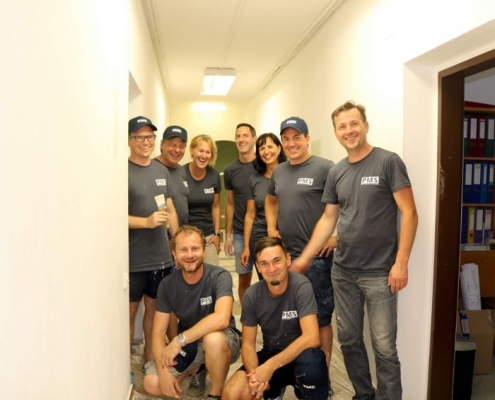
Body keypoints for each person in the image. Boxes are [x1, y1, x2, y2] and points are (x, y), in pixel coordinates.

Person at [293, 101, 419, 399]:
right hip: (343, 272)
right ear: (336, 132)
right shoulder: (337, 171)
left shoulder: (388, 162)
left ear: (365, 125)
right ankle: (363, 395)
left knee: (384, 348)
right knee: (349, 341)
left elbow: (409, 213)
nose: (349, 131)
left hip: (380, 274)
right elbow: (329, 218)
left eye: (354, 124)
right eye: (342, 126)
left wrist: (401, 262)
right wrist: (304, 258)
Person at [265, 116, 336, 395]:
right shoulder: (279, 171)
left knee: (320, 319)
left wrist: (336, 236)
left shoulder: (325, 168)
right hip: (285, 257)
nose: (291, 143)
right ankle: (289, 373)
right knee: (289, 319)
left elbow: (345, 206)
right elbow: (271, 199)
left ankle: (322, 378)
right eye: (286, 139)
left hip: (317, 259)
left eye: (297, 137)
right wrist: (271, 227)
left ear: (307, 139)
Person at [223, 237, 329, 400]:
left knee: (312, 367)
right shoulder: (252, 294)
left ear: (288, 260)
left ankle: (305, 389)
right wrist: (255, 376)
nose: (271, 268)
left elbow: (312, 338)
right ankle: (273, 391)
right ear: (258, 266)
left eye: (277, 260)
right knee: (232, 394)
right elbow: (248, 344)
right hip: (271, 353)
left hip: (302, 357)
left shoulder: (301, 285)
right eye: (264, 263)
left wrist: (270, 367)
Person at [143, 225, 241, 400]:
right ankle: (196, 369)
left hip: (223, 338)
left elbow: (222, 319)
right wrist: (163, 372)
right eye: (183, 250)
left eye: (195, 248)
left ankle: (215, 394)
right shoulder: (167, 285)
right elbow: (158, 332)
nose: (189, 255)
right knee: (152, 383)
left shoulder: (219, 276)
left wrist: (178, 340)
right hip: (190, 344)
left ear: (203, 250)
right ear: (174, 254)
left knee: (212, 340)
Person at [128, 116, 180, 364]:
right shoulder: (122, 171)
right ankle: (124, 366)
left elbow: (169, 207)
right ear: (130, 140)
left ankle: (149, 360)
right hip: (133, 259)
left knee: (154, 311)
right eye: (139, 137)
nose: (145, 141)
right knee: (129, 312)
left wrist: (177, 243)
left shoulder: (161, 170)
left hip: (160, 258)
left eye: (149, 136)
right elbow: (112, 216)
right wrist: (146, 222)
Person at [240, 133, 287, 279]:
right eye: (262, 148)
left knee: (288, 279)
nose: (266, 152)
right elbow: (250, 215)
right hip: (259, 237)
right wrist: (246, 246)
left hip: (287, 235)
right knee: (267, 279)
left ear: (279, 148)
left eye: (270, 147)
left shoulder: (290, 174)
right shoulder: (254, 180)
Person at [224, 123, 257, 303]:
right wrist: (228, 236)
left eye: (245, 135)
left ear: (254, 139)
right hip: (239, 233)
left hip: (263, 231)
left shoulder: (264, 165)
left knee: (270, 277)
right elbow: (230, 203)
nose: (241, 139)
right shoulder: (230, 170)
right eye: (238, 136)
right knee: (244, 280)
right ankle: (247, 317)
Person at [184, 135, 222, 265]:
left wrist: (217, 235)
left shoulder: (214, 175)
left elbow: (216, 206)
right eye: (201, 151)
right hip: (186, 235)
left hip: (209, 236)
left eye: (208, 152)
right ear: (192, 151)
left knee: (212, 273)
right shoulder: (181, 173)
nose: (204, 156)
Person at [154, 125, 189, 226]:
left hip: (181, 232)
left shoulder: (181, 170)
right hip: (161, 232)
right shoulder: (152, 168)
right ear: (162, 144)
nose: (177, 150)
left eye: (181, 146)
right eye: (173, 145)